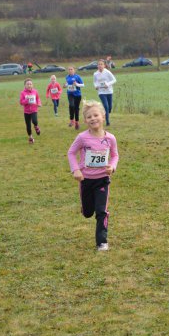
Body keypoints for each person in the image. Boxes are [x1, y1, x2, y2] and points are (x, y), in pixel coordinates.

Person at [67, 100, 119, 251]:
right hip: (86, 180)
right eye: (89, 117)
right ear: (85, 120)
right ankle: (85, 207)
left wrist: (112, 166)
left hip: (102, 180)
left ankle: (102, 242)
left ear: (103, 116)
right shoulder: (82, 138)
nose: (93, 118)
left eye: (96, 115)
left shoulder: (110, 138)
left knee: (101, 211)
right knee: (88, 213)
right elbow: (71, 153)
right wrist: (75, 170)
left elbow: (115, 155)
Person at [93, 59, 117, 126]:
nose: (100, 66)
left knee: (109, 107)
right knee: (105, 106)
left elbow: (114, 80)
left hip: (109, 91)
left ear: (104, 65)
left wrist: (108, 84)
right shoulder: (95, 74)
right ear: (97, 66)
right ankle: (107, 121)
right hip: (101, 92)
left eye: (101, 64)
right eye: (99, 64)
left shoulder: (107, 72)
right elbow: (95, 82)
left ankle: (106, 113)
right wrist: (96, 86)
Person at [19, 78, 42, 144]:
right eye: (28, 84)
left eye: (30, 84)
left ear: (32, 85)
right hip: (26, 112)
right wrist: (27, 100)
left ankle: (36, 127)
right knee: (28, 126)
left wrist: (39, 103)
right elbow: (21, 102)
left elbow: (38, 98)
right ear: (25, 85)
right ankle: (31, 137)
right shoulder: (22, 93)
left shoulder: (35, 91)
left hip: (34, 110)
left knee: (35, 121)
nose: (29, 85)